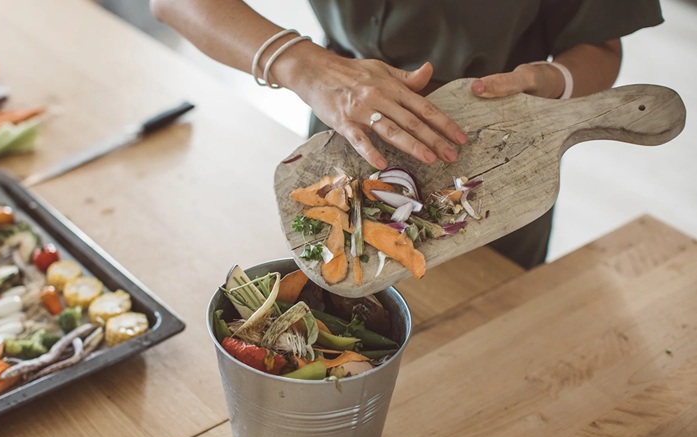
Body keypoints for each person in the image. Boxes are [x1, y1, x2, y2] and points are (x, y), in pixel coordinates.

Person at [150, 0, 663, 268]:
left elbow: (600, 43)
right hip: (345, 131)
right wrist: (305, 66)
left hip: (498, 156)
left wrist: (551, 83)